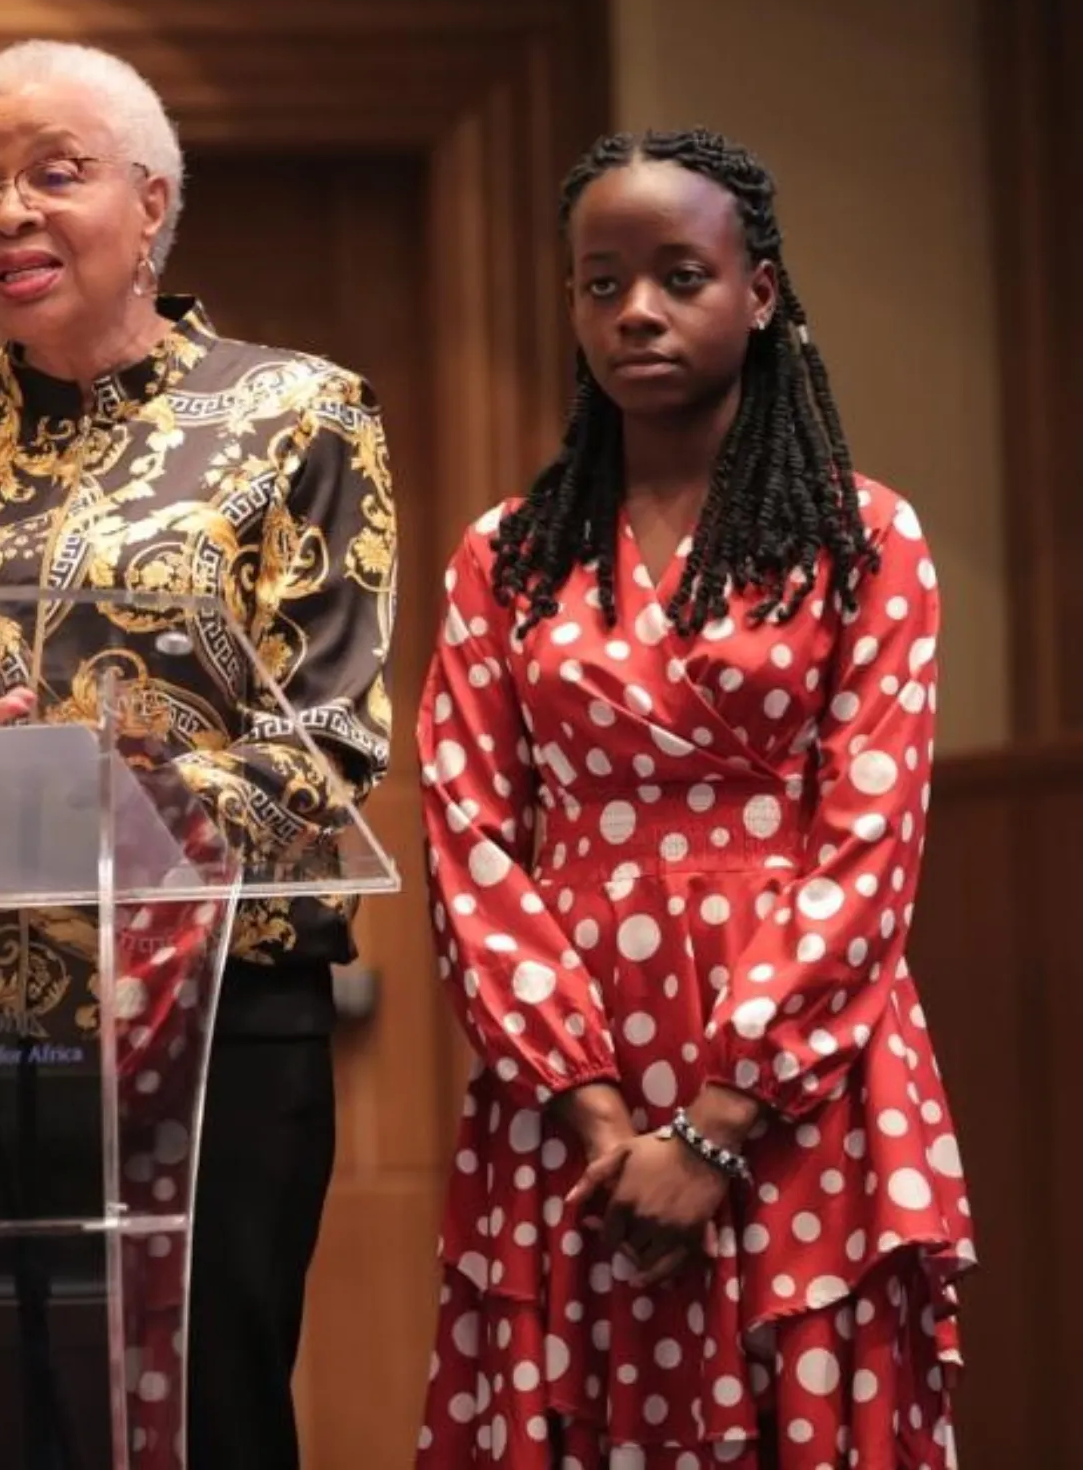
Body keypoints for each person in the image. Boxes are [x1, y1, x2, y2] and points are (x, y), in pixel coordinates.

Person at [0, 39, 398, 1470]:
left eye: (54, 176)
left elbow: (328, 740)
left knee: (202, 1418)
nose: (7, 216)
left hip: (206, 1021)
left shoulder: (295, 412)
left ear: (155, 202)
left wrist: (74, 800)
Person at [415, 127, 975, 1468]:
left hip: (796, 1073)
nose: (638, 313)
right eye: (601, 284)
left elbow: (870, 843)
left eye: (679, 276)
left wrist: (720, 1127)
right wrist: (598, 1117)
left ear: (762, 293)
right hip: (569, 1087)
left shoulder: (863, 537)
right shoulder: (509, 555)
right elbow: (468, 841)